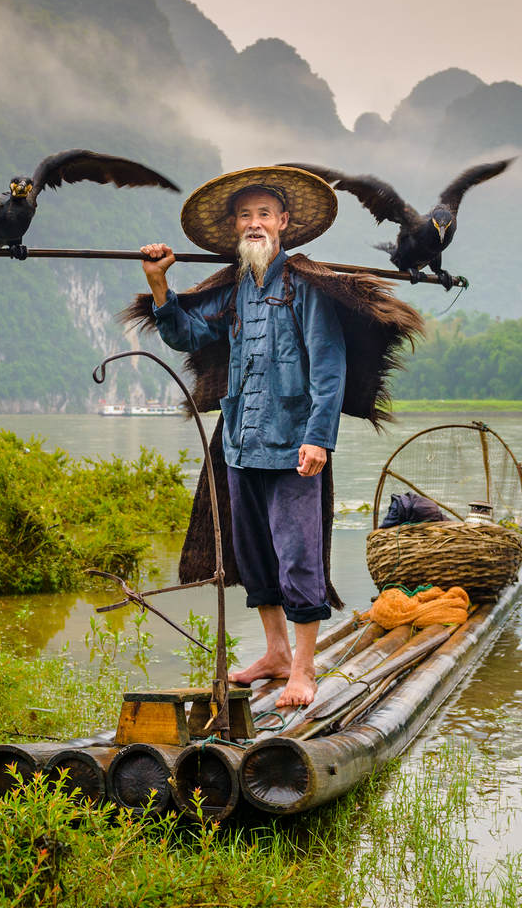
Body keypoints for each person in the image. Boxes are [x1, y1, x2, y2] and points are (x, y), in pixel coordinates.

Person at [140, 166, 346, 708]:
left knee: (298, 555)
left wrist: (319, 438)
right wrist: (160, 283)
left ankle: (303, 671)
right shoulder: (232, 293)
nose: (255, 224)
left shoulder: (307, 287)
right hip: (241, 445)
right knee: (253, 556)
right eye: (245, 216)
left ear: (283, 223)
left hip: (294, 447)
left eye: (264, 215)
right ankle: (275, 654)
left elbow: (329, 370)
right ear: (236, 227)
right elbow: (185, 331)